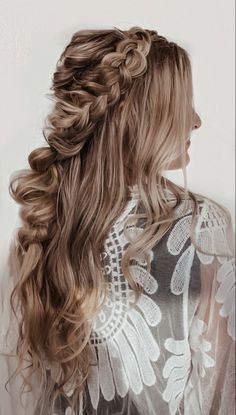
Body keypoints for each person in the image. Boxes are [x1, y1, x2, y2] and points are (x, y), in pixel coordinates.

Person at [0, 25, 235, 415]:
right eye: (181, 104)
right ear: (138, 118)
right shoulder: (201, 229)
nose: (196, 121)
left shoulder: (40, 227)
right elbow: (221, 395)